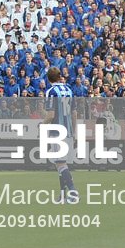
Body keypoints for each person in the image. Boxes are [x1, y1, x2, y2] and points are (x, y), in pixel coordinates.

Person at [44, 67, 76, 201]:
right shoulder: (69, 90)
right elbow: (74, 113)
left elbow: (51, 115)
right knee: (61, 163)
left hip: (57, 131)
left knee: (60, 164)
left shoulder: (51, 92)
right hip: (68, 130)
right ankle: (63, 194)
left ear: (48, 78)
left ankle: (74, 193)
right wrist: (74, 131)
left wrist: (42, 125)